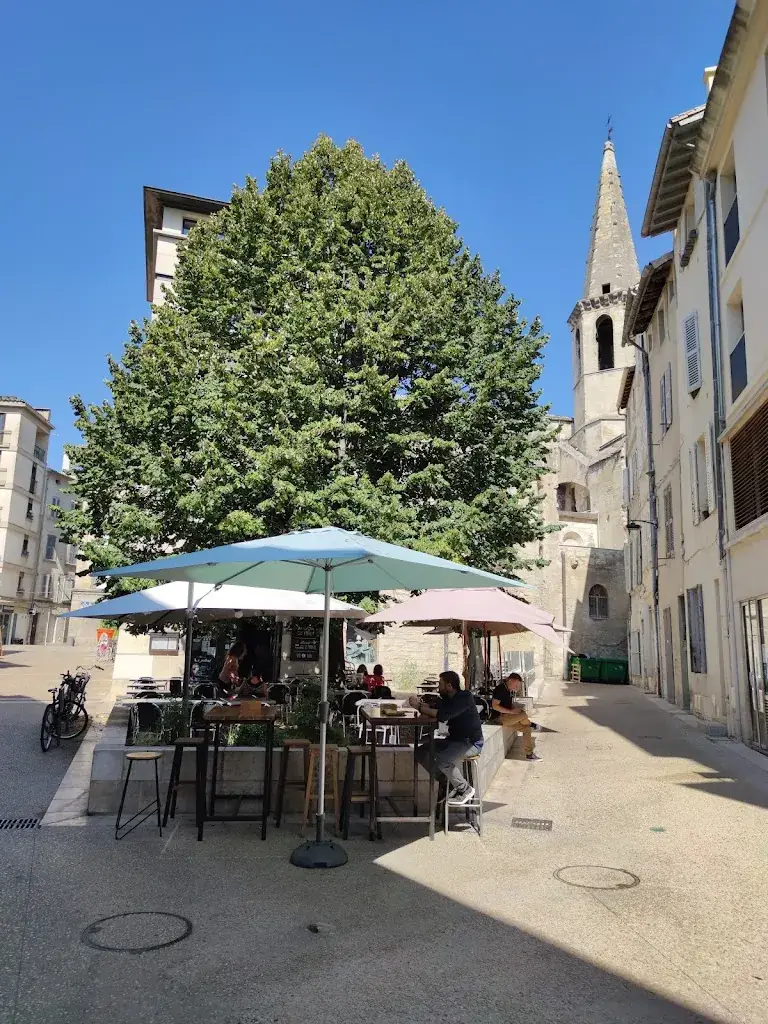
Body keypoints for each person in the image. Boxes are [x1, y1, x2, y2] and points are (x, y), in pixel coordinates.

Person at [408, 670, 483, 804]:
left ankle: (464, 788)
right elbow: (433, 707)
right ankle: (446, 782)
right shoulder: (447, 700)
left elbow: (444, 715)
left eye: (440, 684)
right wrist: (420, 704)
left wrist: (419, 707)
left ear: (449, 686)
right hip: (454, 741)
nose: (438, 687)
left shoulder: (465, 697)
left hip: (471, 742)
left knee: (443, 760)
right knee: (420, 751)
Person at [491, 672, 541, 761]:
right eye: (516, 684)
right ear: (510, 680)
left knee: (526, 729)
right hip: (499, 718)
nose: (517, 687)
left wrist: (513, 711)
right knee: (523, 715)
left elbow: (509, 705)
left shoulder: (510, 690)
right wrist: (511, 712)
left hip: (507, 717)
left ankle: (529, 754)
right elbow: (495, 706)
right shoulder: (500, 689)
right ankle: (530, 724)